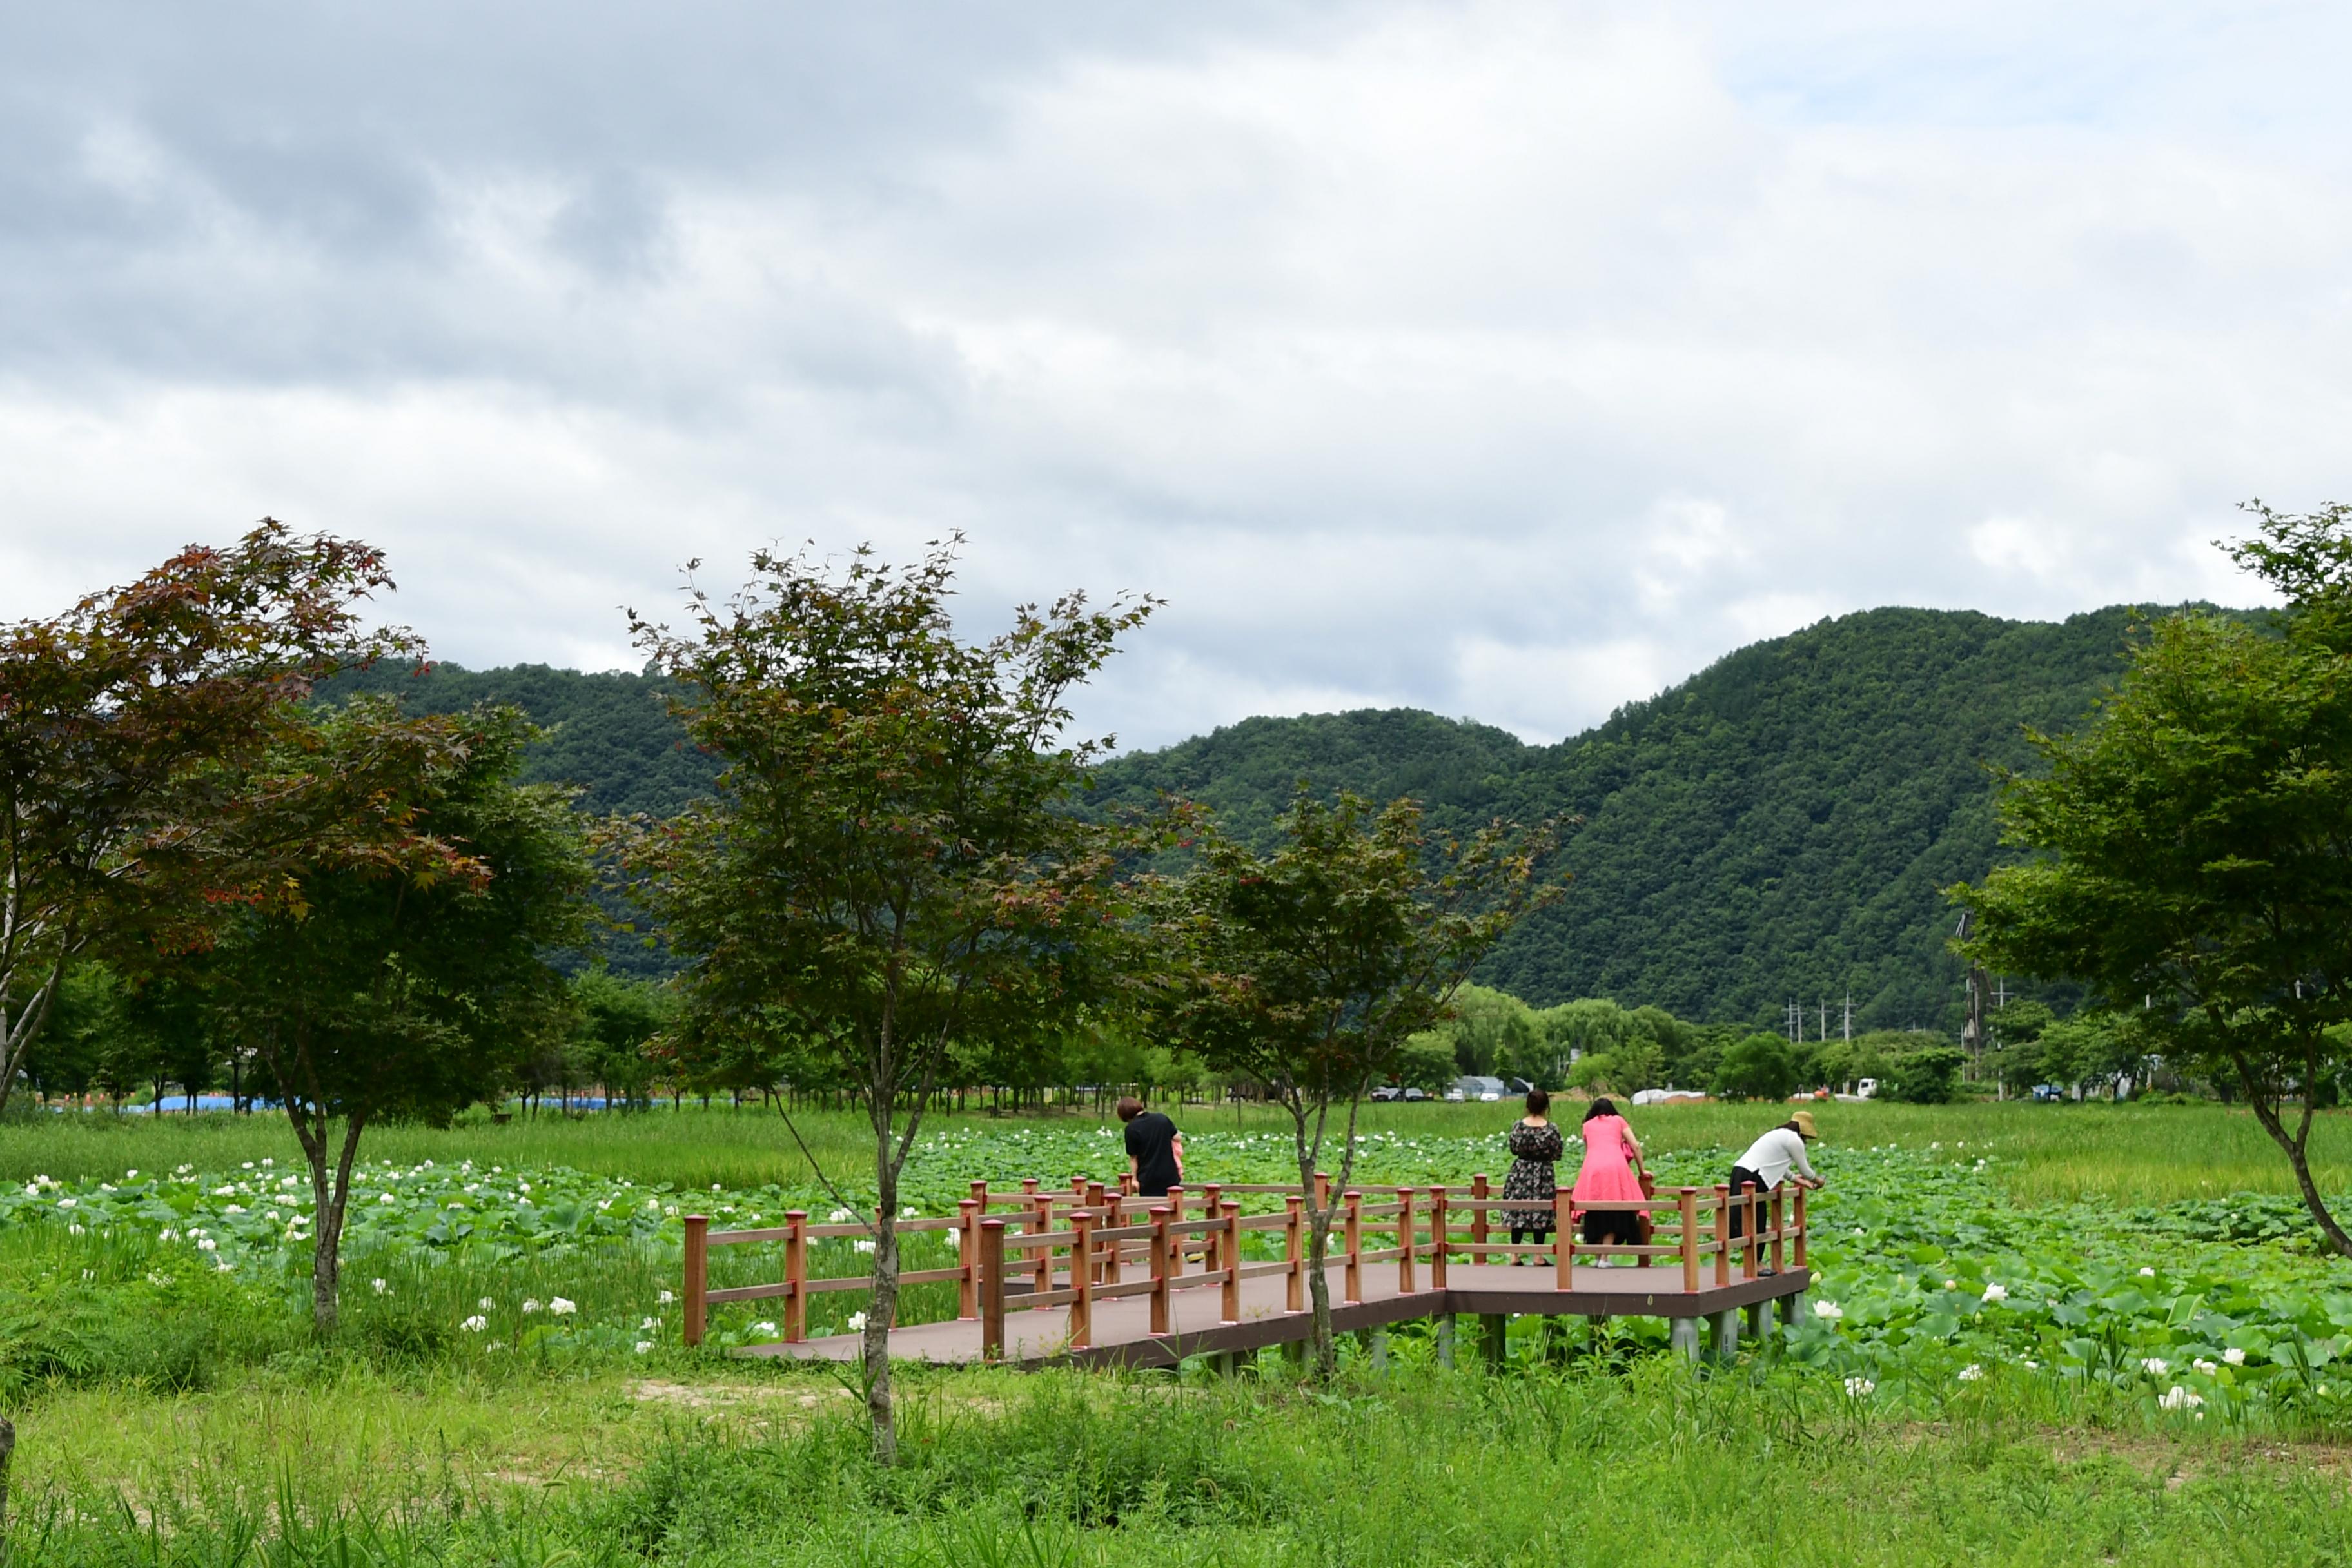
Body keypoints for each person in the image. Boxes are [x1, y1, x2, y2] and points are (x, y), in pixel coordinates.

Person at [1727, 1109, 1823, 1253]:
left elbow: (1775, 1165)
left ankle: (1752, 1260)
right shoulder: (1794, 1140)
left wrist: (1798, 1180)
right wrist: (1818, 1181)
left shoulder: (1777, 1134)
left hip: (1740, 1171)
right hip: (1754, 1176)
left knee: (1741, 1215)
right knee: (1757, 1218)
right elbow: (1806, 1171)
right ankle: (1755, 1263)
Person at [1569, 1097, 1647, 1257]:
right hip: (1615, 1168)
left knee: (1595, 1212)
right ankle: (1604, 1257)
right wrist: (1642, 1171)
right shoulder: (1618, 1121)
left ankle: (1598, 1256)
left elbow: (1589, 1149)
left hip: (1592, 1169)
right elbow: (1636, 1146)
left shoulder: (1587, 1125)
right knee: (1616, 1213)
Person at [1501, 1088, 1565, 1260]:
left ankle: (1515, 1254)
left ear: (1528, 1106)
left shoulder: (1518, 1126)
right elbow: (1558, 1153)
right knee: (1541, 1211)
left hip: (1521, 1171)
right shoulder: (1551, 1129)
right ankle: (1538, 1255)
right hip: (1543, 1172)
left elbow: (1514, 1149)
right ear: (1546, 1106)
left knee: (1518, 1210)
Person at [1117, 1096, 1183, 1197]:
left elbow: (1133, 1158)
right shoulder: (1162, 1119)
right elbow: (1177, 1138)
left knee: (1154, 1211)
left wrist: (1134, 1179)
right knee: (1174, 1208)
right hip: (1170, 1176)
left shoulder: (1131, 1129)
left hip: (1148, 1178)